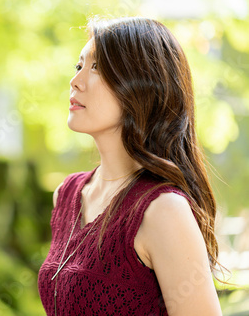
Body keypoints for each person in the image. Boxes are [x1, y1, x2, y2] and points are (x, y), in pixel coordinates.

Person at [38, 17, 224, 315]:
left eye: (96, 67)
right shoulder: (67, 193)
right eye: (79, 66)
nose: (76, 81)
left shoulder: (163, 210)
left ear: (142, 84)